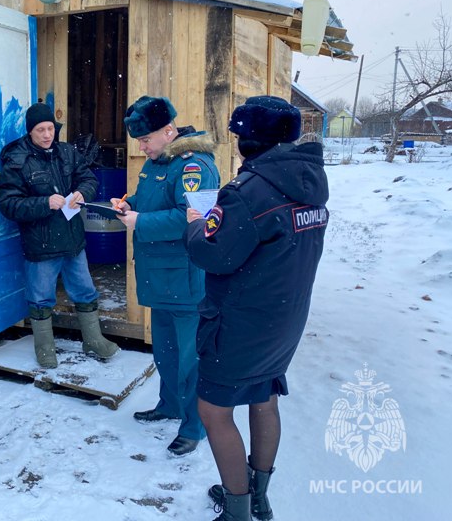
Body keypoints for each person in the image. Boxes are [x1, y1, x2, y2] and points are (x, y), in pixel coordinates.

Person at [183, 95, 329, 521]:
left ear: (250, 141)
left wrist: (197, 225)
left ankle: (237, 509)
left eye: (240, 136)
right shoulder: (308, 181)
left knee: (213, 410)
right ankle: (257, 494)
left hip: (240, 321)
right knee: (264, 398)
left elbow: (214, 254)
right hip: (283, 317)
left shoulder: (247, 193)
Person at [112, 95, 219, 457]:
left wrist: (140, 222)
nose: (142, 147)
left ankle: (194, 424)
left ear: (169, 131)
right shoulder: (157, 163)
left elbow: (197, 219)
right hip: (158, 278)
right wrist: (129, 207)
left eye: (146, 140)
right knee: (166, 352)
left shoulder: (195, 167)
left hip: (186, 280)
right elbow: (150, 202)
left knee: (190, 359)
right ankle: (170, 405)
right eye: (139, 141)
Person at [0, 101, 119, 368]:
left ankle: (93, 340)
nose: (47, 134)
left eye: (50, 128)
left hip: (73, 240)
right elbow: (8, 204)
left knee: (85, 291)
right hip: (41, 243)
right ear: (30, 131)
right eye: (40, 129)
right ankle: (44, 347)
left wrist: (81, 193)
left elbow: (89, 179)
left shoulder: (67, 152)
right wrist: (43, 203)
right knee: (41, 298)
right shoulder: (17, 160)